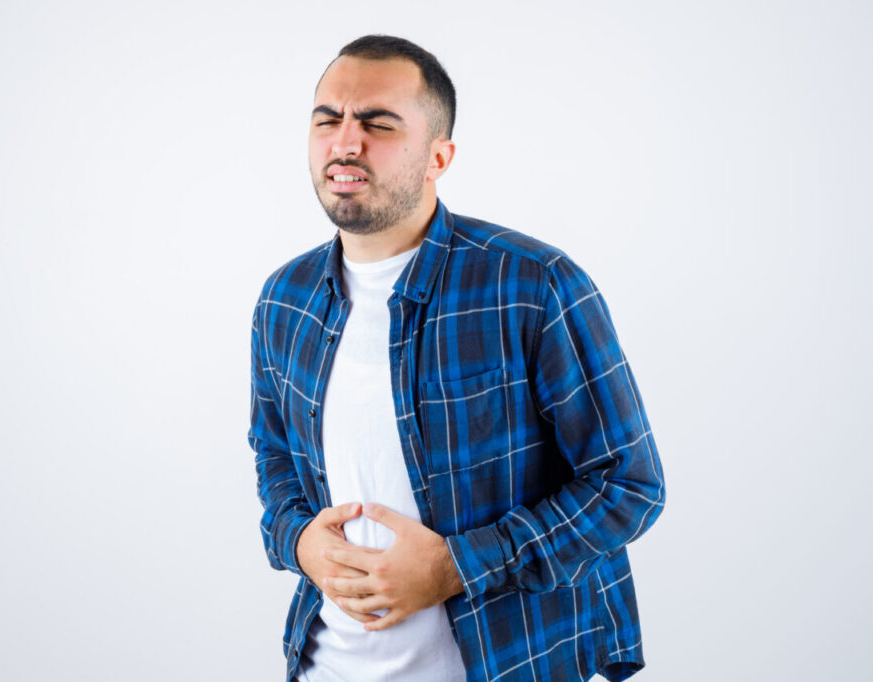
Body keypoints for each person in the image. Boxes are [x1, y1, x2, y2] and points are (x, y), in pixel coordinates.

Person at [248, 34, 665, 682]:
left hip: (506, 663)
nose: (346, 142)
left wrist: (454, 567)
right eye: (327, 119)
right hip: (324, 665)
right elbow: (273, 455)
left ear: (438, 156)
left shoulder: (532, 285)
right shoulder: (285, 300)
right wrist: (298, 541)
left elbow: (628, 485)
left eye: (378, 123)